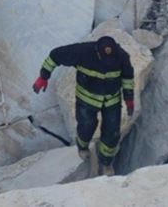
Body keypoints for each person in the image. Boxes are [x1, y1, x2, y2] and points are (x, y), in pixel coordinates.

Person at [32, 36, 135, 176]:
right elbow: (55, 55)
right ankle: (83, 147)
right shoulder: (82, 52)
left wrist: (129, 99)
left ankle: (106, 162)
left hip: (111, 100)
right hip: (87, 98)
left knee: (112, 132)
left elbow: (128, 78)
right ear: (97, 52)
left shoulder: (121, 56)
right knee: (87, 125)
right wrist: (43, 76)